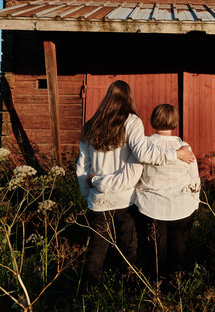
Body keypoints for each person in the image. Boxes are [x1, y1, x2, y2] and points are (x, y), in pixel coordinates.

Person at [75, 81, 194, 286]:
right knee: (129, 249)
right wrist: (176, 154)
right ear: (129, 98)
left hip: (98, 199)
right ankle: (128, 292)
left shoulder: (91, 124)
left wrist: (90, 190)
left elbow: (82, 166)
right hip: (125, 199)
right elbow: (143, 155)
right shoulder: (132, 121)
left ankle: (90, 296)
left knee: (96, 249)